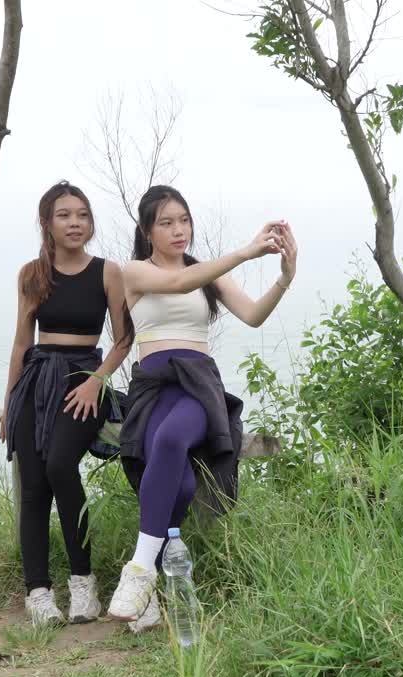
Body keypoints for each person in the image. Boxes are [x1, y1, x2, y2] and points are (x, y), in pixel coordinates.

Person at [105, 185, 298, 622]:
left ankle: (137, 572)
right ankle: (155, 589)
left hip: (196, 385)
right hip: (153, 387)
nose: (179, 230)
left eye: (184, 220)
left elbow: (253, 315)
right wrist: (248, 250)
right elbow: (177, 281)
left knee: (173, 439)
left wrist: (284, 278)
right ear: (147, 230)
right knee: (185, 487)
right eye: (166, 222)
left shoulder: (206, 272)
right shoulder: (131, 272)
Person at [0, 181, 138, 627]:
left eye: (81, 214)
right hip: (36, 381)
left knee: (61, 465)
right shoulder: (32, 274)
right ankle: (37, 591)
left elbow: (123, 338)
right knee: (34, 484)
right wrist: (9, 402)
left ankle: (84, 581)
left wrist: (96, 382)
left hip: (83, 379)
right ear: (47, 223)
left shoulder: (106, 271)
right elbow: (22, 342)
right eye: (64, 215)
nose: (75, 222)